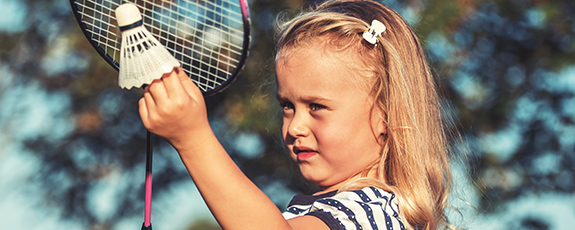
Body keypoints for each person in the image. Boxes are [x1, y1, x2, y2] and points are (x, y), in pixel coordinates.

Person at [137, 0, 452, 229]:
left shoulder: (370, 214)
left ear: (386, 114)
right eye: (287, 106)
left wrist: (193, 140)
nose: (295, 127)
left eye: (316, 107)